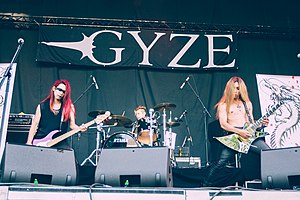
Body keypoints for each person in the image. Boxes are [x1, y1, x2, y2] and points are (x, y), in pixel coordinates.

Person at [204, 76, 270, 187]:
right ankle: (206, 183)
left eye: (239, 88)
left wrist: (261, 126)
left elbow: (251, 124)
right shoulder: (223, 105)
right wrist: (239, 132)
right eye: (234, 88)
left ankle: (270, 182)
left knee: (268, 153)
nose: (236, 91)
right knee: (220, 163)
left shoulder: (247, 104)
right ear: (229, 89)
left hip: (248, 135)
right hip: (234, 137)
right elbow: (223, 124)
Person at [26, 79, 86, 149]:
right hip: (40, 140)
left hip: (59, 141)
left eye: (64, 92)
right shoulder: (42, 106)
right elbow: (34, 125)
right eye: (59, 90)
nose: (61, 93)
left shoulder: (69, 107)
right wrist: (29, 143)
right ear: (54, 88)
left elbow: (72, 125)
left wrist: (80, 128)